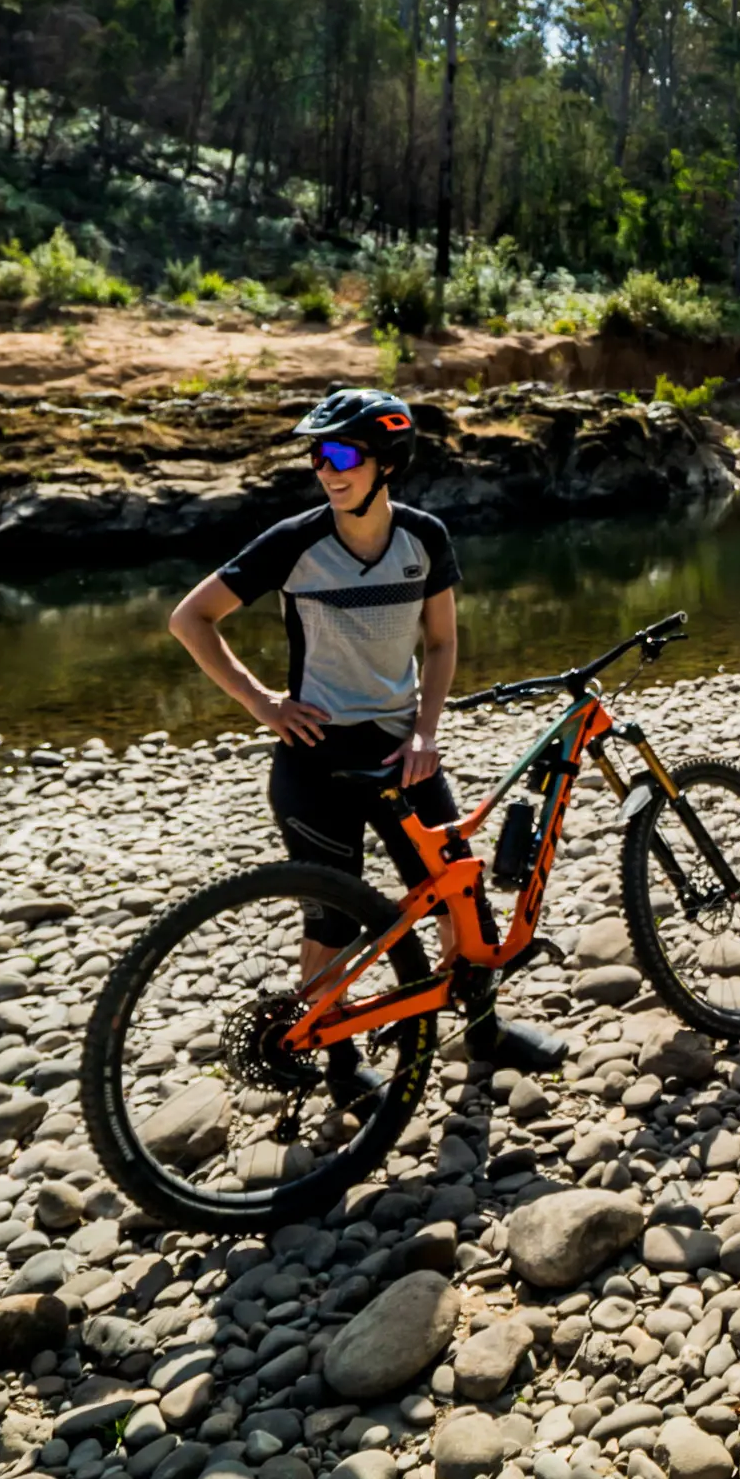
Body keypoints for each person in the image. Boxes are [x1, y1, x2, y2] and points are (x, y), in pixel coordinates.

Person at [168, 386, 568, 1101]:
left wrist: (425, 731)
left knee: (457, 895)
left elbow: (441, 644)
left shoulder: (425, 539)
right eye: (317, 455)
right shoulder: (294, 541)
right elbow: (191, 619)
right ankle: (343, 1064)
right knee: (332, 917)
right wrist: (263, 702)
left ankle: (481, 1031)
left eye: (342, 453)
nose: (326, 468)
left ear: (387, 461)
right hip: (314, 760)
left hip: (400, 751)